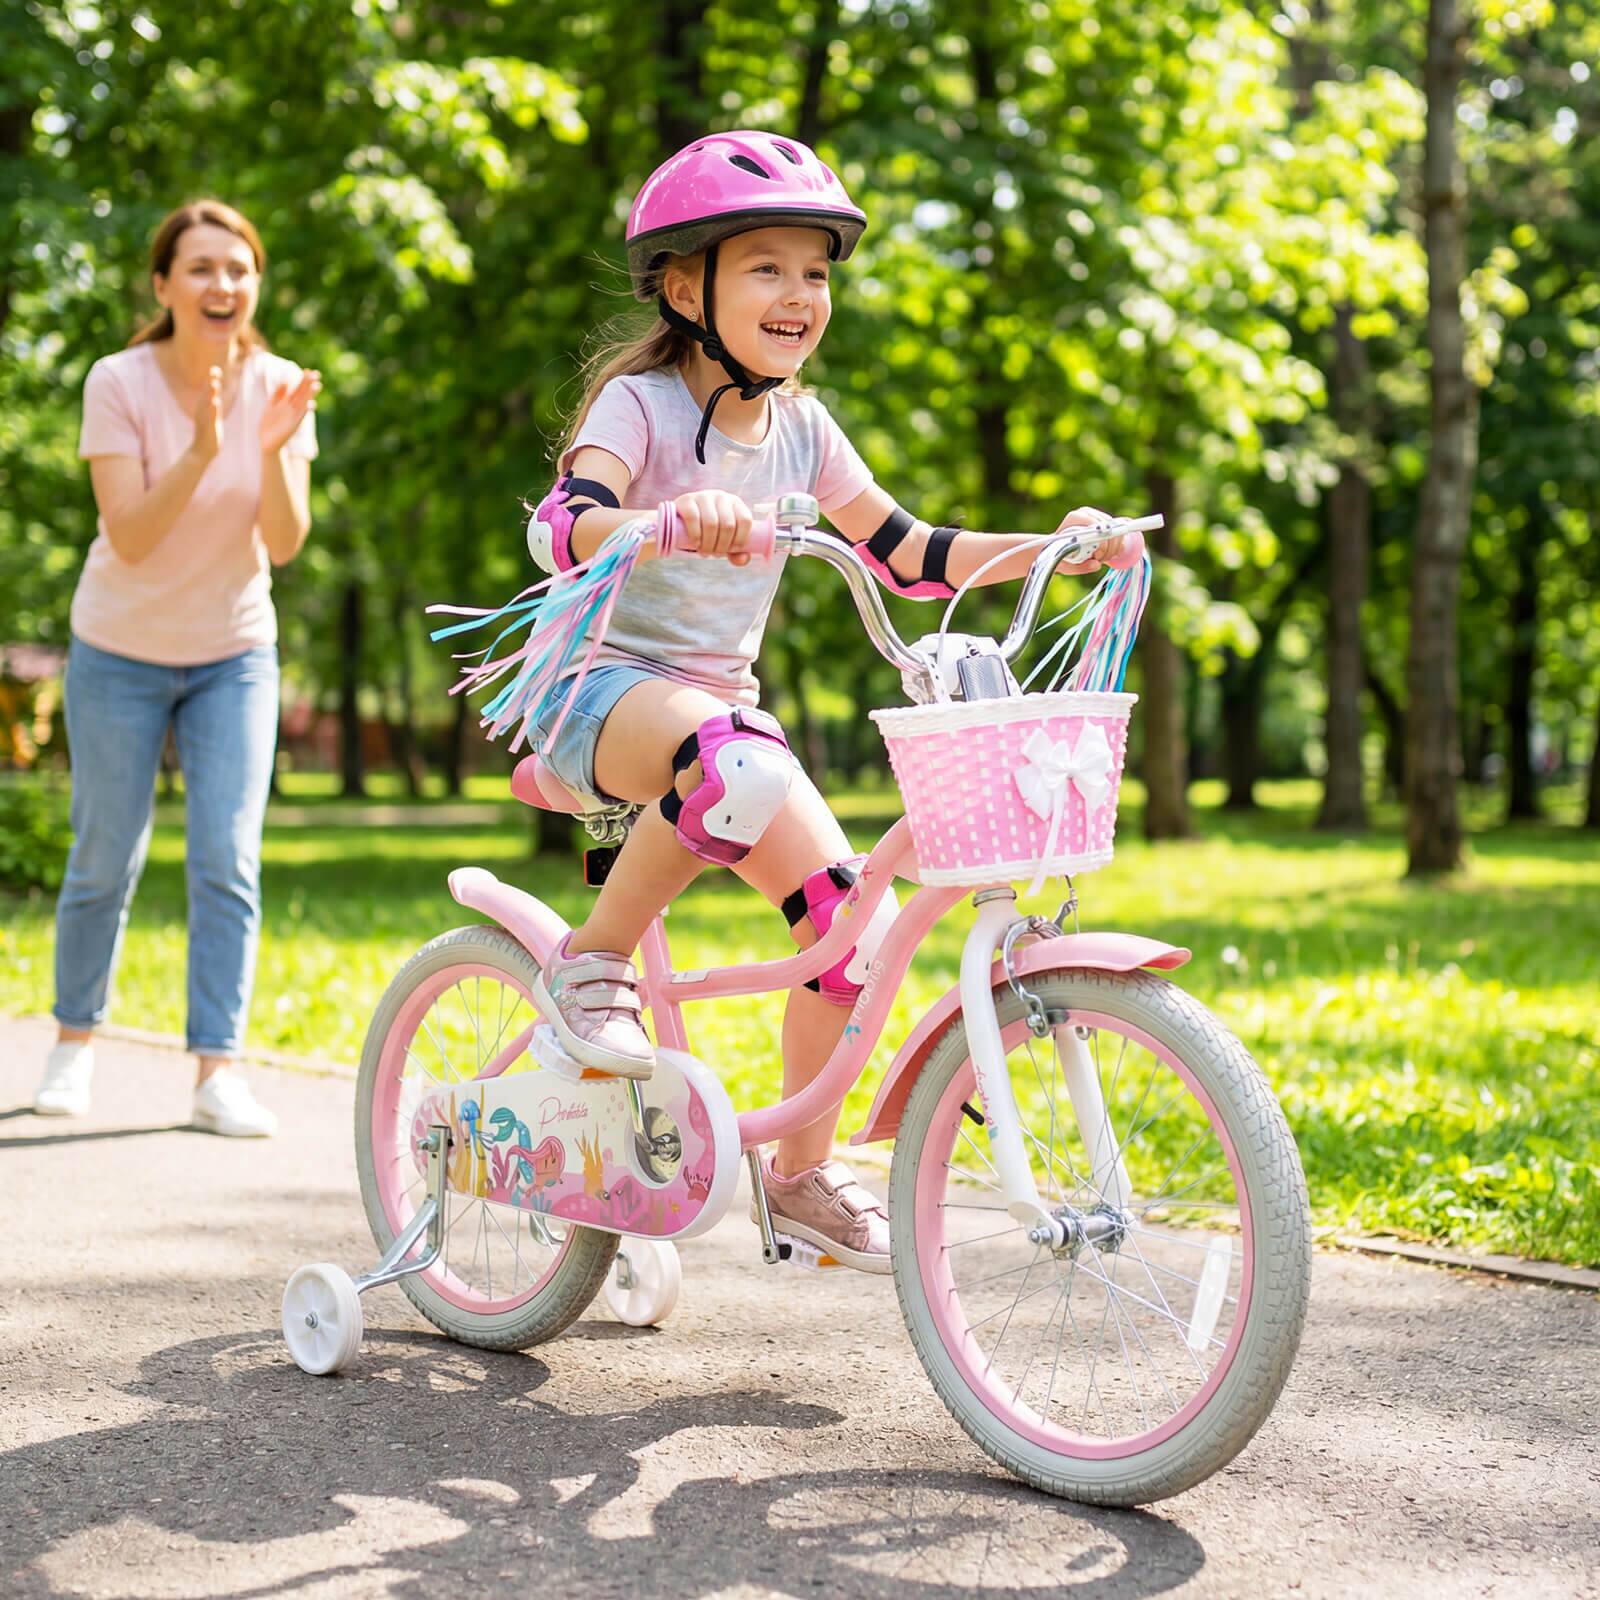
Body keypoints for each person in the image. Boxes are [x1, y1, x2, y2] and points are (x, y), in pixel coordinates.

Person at [523, 132, 1124, 1270]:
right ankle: (589, 962)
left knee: (848, 931)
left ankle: (795, 1171)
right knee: (732, 756)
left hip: (720, 714)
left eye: (817, 271)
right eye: (767, 268)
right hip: (595, 693)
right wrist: (656, 522)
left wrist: (1052, 547)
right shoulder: (638, 406)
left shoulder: (800, 422)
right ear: (686, 285)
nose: (800, 294)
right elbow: (562, 523)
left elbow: (909, 553)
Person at [32, 199, 321, 1136]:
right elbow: (134, 535)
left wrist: (269, 452)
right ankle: (74, 1045)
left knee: (227, 860)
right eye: (200, 268)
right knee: (103, 855)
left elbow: (282, 543)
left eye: (238, 269)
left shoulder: (279, 386)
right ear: (163, 286)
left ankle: (216, 1074)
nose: (222, 285)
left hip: (234, 653)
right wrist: (202, 446)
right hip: (119, 649)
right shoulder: (117, 381)